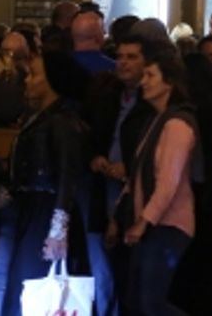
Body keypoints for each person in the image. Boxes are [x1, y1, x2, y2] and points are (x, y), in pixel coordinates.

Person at [0, 52, 89, 316]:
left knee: (32, 284)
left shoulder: (61, 121)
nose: (27, 81)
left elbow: (67, 175)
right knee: (28, 286)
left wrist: (58, 231)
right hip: (37, 211)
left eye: (35, 75)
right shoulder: (45, 118)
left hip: (45, 213)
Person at [113, 44, 201, 316]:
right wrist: (120, 215)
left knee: (150, 302)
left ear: (169, 83)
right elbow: (138, 173)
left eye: (151, 76)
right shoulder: (157, 121)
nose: (144, 82)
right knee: (140, 300)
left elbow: (168, 183)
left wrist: (143, 221)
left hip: (168, 224)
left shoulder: (176, 125)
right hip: (153, 221)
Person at [84, 33, 155, 316]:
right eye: (120, 57)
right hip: (105, 186)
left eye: (131, 57)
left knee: (131, 266)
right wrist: (95, 157)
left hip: (136, 193)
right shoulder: (108, 94)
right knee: (105, 262)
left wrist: (131, 167)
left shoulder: (152, 101)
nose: (123, 63)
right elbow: (92, 134)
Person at [71, 10, 115, 75]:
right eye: (102, 29)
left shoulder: (58, 65)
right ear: (97, 36)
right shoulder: (113, 68)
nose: (105, 32)